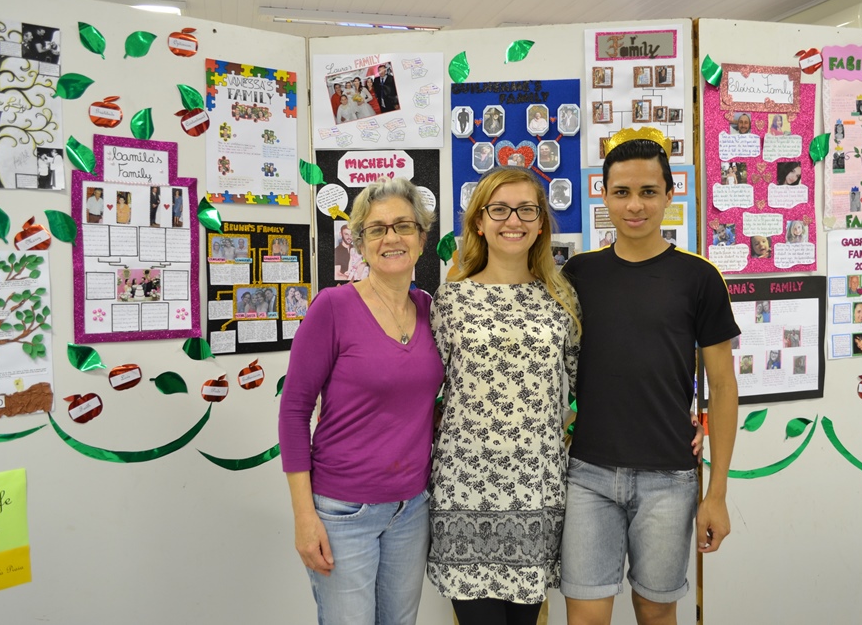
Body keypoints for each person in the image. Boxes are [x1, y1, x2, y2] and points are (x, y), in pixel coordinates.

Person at [560, 130, 740, 625]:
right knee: (585, 616)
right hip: (588, 475)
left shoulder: (699, 278)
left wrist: (717, 493)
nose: (634, 205)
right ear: (603, 194)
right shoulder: (578, 275)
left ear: (669, 194)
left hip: (669, 479)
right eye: (621, 192)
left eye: (648, 192)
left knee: (656, 612)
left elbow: (724, 386)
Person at [279, 177, 442, 625]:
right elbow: (294, 412)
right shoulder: (332, 307)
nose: (391, 238)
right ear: (360, 243)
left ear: (421, 238)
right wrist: (304, 517)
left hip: (412, 507)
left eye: (403, 226)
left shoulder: (430, 309)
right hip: (343, 511)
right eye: (377, 229)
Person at [428, 168, 581, 625]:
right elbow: (423, 392)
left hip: (535, 490)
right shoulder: (450, 300)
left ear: (540, 224)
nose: (513, 220)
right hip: (464, 491)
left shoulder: (561, 299)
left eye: (526, 210)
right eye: (499, 209)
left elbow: (587, 387)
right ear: (479, 222)